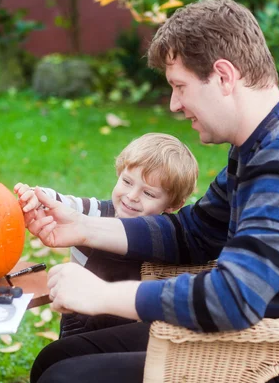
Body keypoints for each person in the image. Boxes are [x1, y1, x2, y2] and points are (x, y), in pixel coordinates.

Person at [24, 0, 279, 383]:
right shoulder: (265, 139)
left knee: (63, 382)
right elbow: (194, 233)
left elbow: (231, 298)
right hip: (263, 340)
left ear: (224, 76)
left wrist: (103, 295)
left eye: (180, 87)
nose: (174, 104)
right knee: (58, 359)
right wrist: (83, 227)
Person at [14, 132, 198, 339]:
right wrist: (36, 197)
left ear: (172, 205)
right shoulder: (94, 212)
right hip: (79, 319)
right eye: (127, 181)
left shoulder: (164, 237)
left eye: (148, 193)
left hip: (130, 327)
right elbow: (60, 202)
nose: (132, 196)